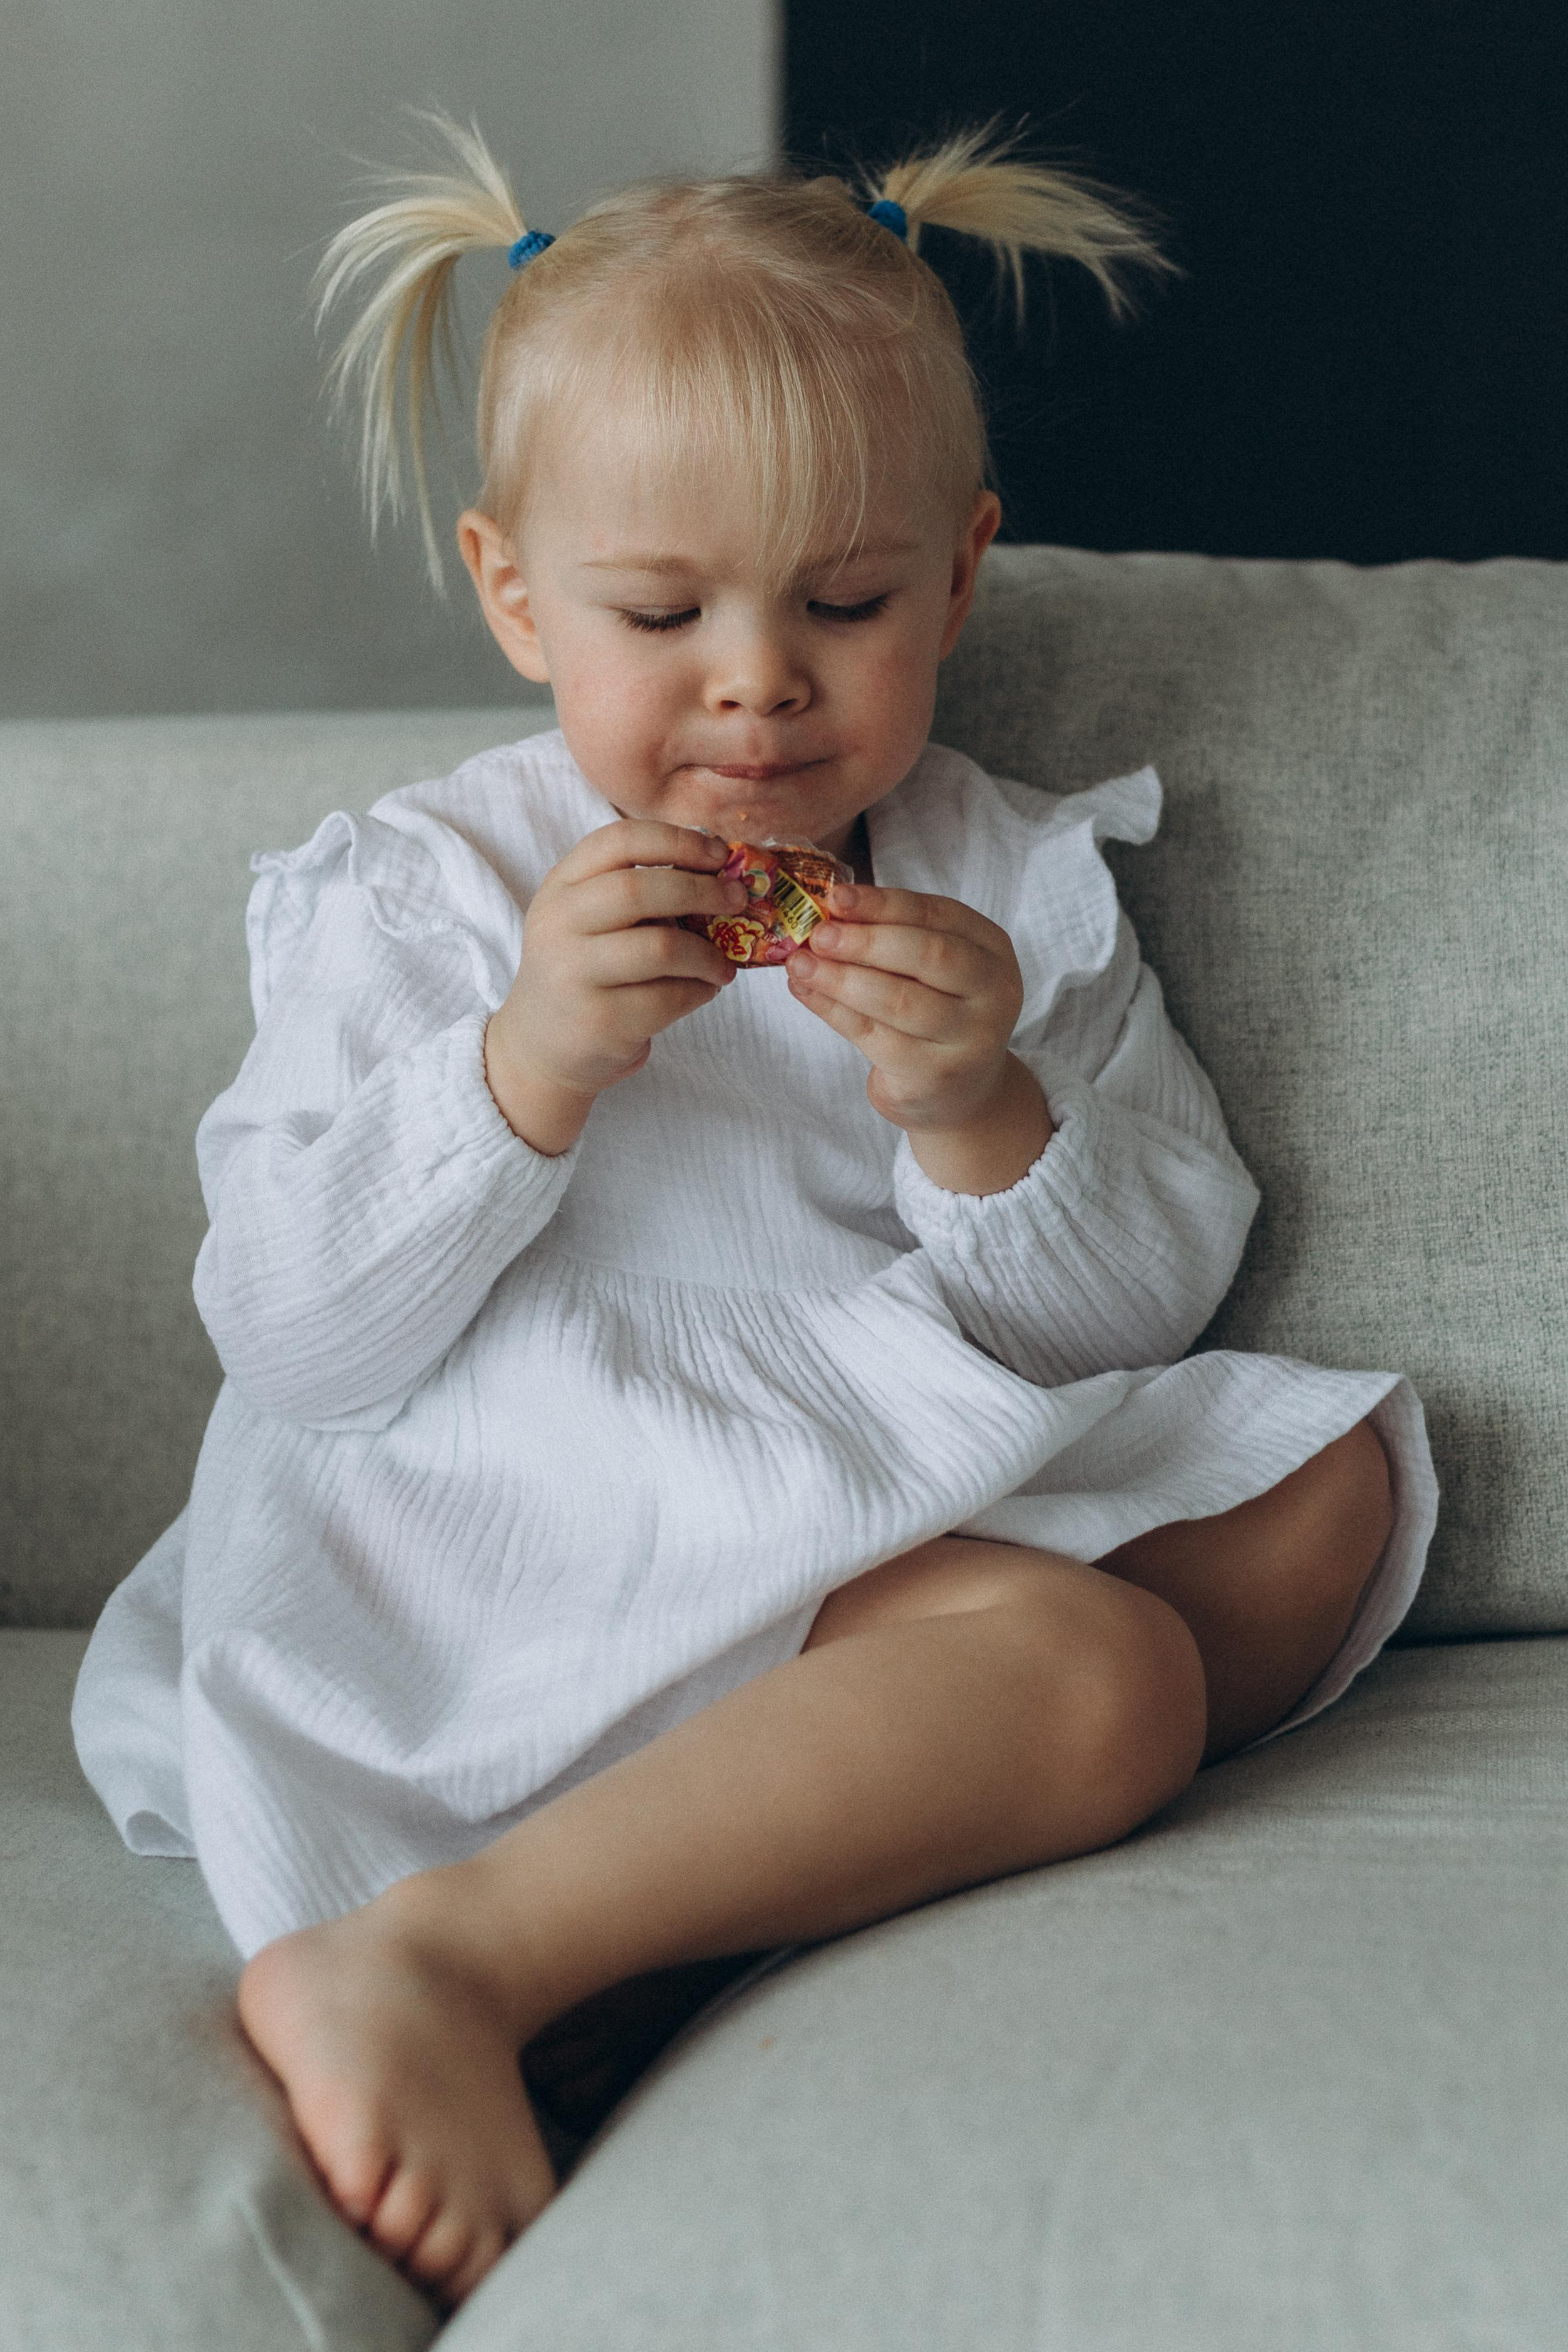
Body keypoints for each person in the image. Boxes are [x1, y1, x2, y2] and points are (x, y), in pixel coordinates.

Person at [72, 114, 1436, 2309]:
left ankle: (684, 1901)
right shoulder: (426, 891)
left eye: (846, 602)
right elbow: (295, 1330)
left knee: (1324, 1499)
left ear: (964, 576)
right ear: (515, 591)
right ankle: (444, 1950)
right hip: (509, 1514)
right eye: (658, 609)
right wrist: (520, 1071)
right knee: (1107, 1680)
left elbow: (1140, 1308)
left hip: (826, 1504)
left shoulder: (1003, 878)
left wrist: (977, 1103)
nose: (758, 682)